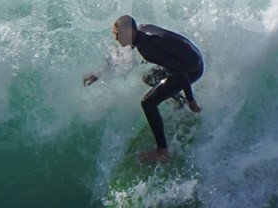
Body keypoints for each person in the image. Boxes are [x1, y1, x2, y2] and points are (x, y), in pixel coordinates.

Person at [83, 15, 205, 164]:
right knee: (148, 77)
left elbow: (180, 70)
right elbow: (116, 53)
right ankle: (180, 102)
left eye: (119, 35)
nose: (116, 38)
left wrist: (191, 99)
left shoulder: (148, 47)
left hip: (192, 68)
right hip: (193, 57)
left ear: (131, 32)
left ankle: (162, 151)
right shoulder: (142, 30)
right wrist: (98, 73)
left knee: (147, 103)